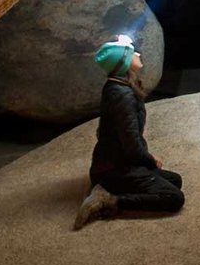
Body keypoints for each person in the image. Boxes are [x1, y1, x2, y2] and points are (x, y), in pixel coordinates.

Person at [73, 34, 185, 229]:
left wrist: (146, 161)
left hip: (119, 163)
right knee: (174, 197)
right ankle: (109, 199)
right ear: (123, 61)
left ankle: (107, 186)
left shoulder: (120, 86)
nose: (138, 54)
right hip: (113, 169)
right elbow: (131, 143)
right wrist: (149, 160)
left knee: (175, 180)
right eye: (133, 53)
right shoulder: (121, 95)